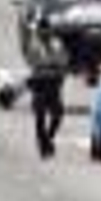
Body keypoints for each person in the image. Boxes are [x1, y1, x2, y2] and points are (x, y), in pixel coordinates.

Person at [24, 19, 70, 159]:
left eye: (46, 30)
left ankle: (49, 138)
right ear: (38, 32)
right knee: (40, 116)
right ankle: (43, 145)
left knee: (58, 115)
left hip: (54, 83)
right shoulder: (35, 45)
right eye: (41, 31)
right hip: (40, 83)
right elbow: (33, 62)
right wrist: (49, 65)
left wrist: (58, 71)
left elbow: (63, 61)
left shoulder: (57, 44)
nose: (44, 33)